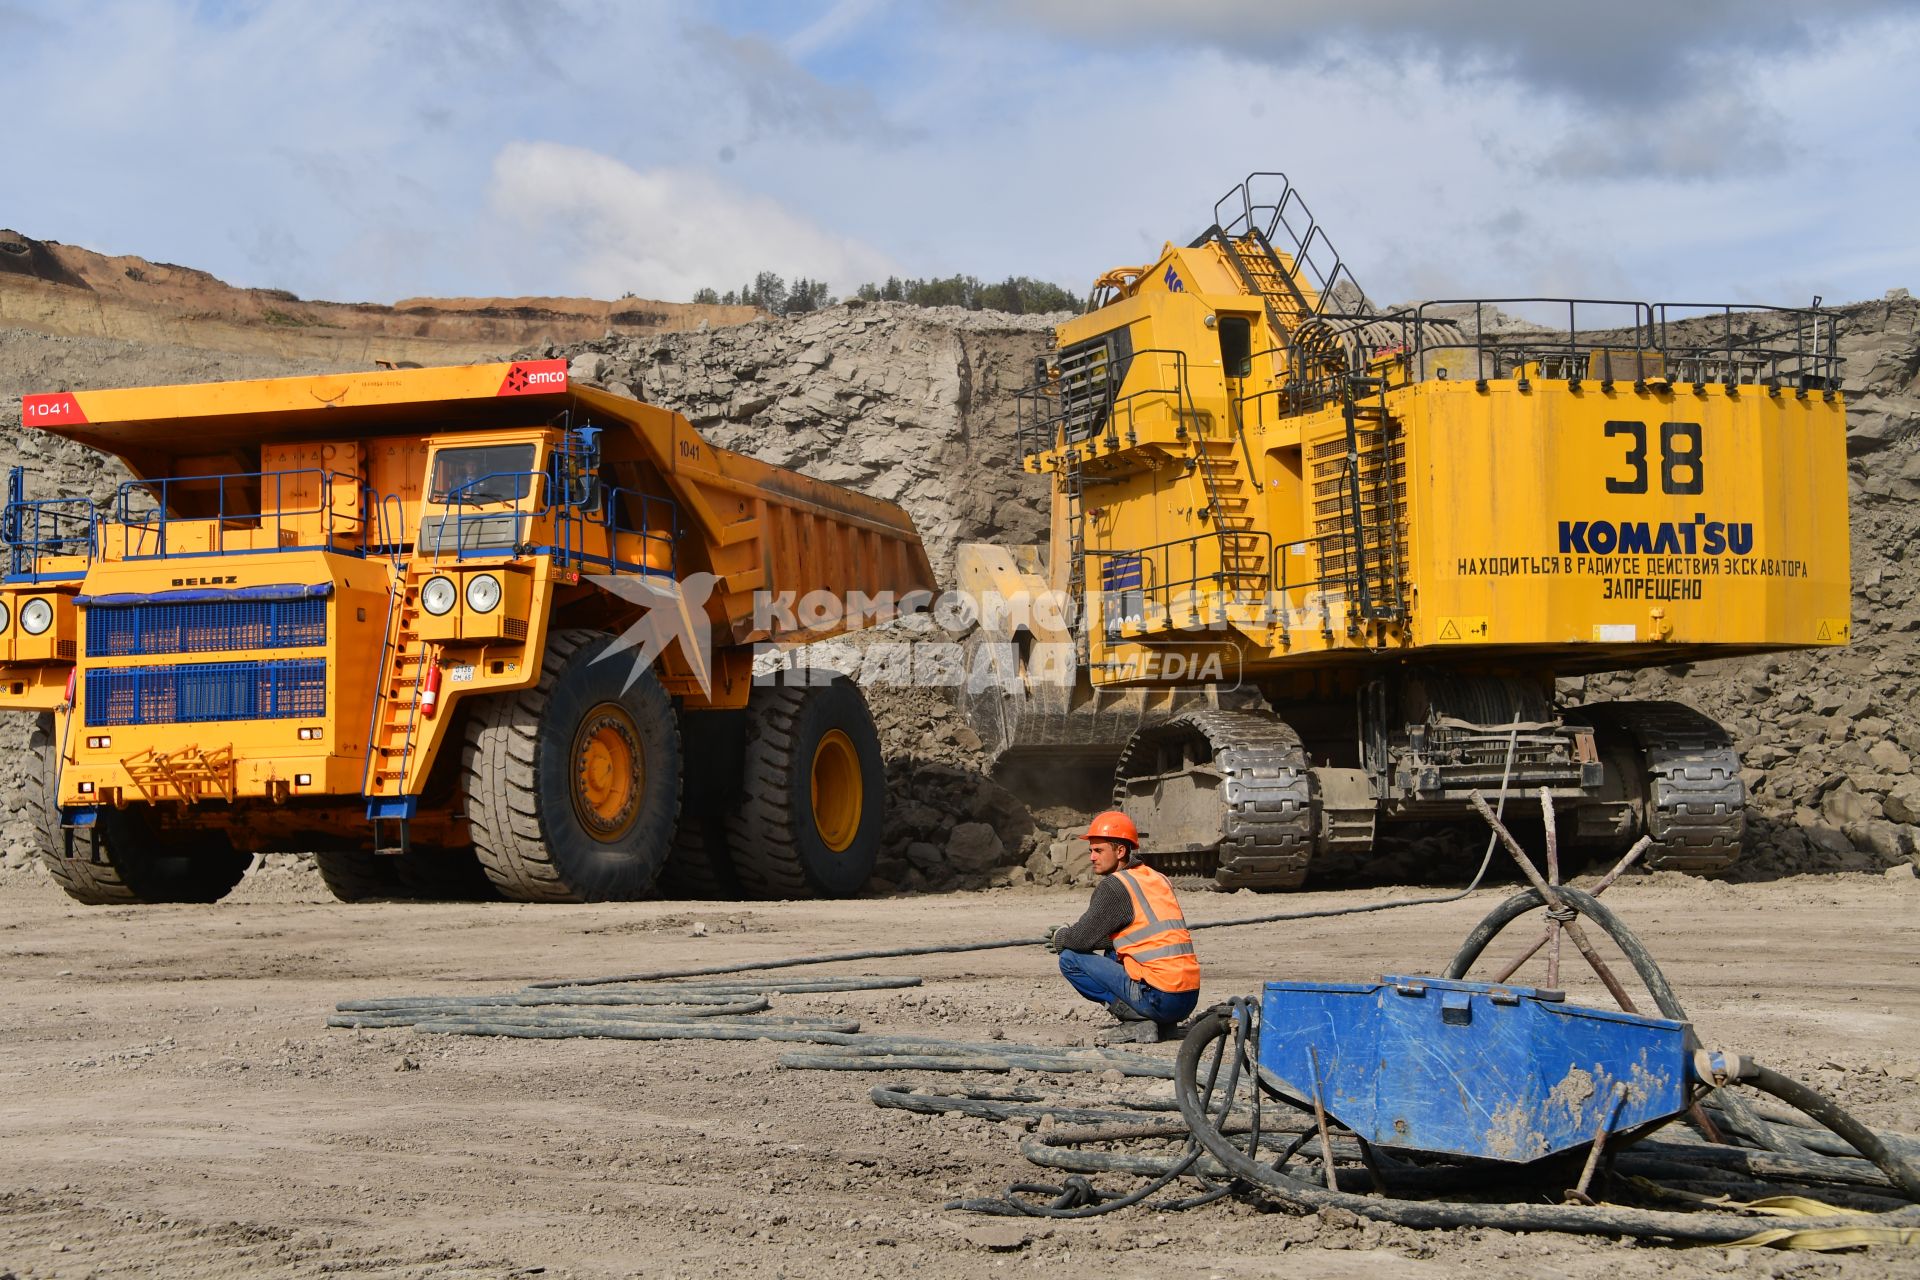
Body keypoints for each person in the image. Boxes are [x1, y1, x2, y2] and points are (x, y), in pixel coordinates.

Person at [1045, 810, 1200, 1045]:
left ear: (1120, 851)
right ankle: (1163, 1025)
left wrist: (1061, 936)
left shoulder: (1115, 886)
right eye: (1091, 851)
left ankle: (1139, 1021)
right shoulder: (1157, 878)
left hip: (1159, 998)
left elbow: (1079, 941)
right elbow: (1137, 933)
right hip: (1186, 999)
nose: (1092, 857)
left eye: (1098, 850)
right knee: (1114, 951)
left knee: (1069, 958)